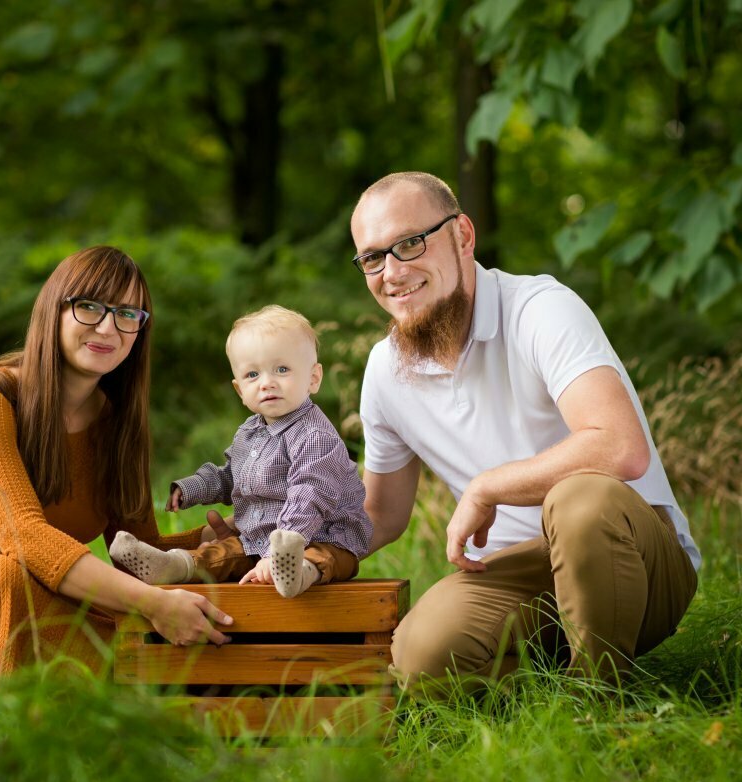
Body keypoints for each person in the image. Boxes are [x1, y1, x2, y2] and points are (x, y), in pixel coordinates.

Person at [350, 172, 701, 688]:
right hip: (516, 577)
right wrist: (278, 546)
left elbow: (620, 447)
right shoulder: (386, 368)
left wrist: (488, 485)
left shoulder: (541, 309)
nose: (392, 272)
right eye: (373, 258)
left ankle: (598, 708)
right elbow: (379, 515)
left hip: (634, 558)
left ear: (463, 236)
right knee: (421, 656)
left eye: (409, 243)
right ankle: (547, 679)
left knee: (579, 500)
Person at [0, 246, 233, 692]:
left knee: (196, 603)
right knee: (6, 576)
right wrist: (152, 606)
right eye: (90, 307)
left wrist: (212, 537)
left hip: (44, 603)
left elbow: (138, 552)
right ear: (55, 310)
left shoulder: (117, 424)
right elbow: (23, 538)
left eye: (128, 314)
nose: (108, 327)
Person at [109, 305, 372, 598]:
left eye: (282, 369)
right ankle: (173, 565)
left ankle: (296, 574)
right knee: (223, 554)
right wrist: (192, 489)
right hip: (259, 542)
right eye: (252, 375)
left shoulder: (315, 435)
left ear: (313, 378)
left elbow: (310, 493)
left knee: (324, 558)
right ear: (239, 390)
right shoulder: (250, 431)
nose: (267, 382)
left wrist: (281, 549)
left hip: (325, 537)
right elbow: (231, 477)